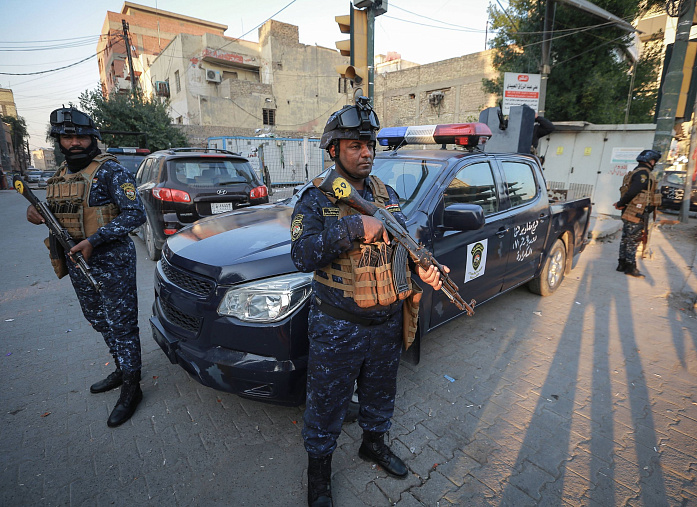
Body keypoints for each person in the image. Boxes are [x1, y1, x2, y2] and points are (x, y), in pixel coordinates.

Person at [290, 98, 447, 507]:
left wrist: (423, 272)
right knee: (326, 404)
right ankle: (319, 475)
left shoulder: (386, 194)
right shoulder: (316, 198)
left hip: (386, 320)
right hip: (338, 324)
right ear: (334, 150)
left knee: (381, 393)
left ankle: (373, 444)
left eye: (370, 145)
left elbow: (400, 250)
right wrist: (353, 226)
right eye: (356, 145)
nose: (367, 153)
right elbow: (302, 256)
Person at [25, 107, 146, 427]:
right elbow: (56, 213)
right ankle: (122, 368)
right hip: (77, 261)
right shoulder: (60, 176)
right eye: (68, 137)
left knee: (122, 325)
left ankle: (133, 387)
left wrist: (96, 239)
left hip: (112, 261)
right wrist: (34, 215)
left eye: (80, 136)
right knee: (97, 320)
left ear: (92, 138)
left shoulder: (110, 172)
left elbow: (135, 214)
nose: (75, 142)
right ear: (59, 141)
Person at [614, 149, 661, 277]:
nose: (654, 163)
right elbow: (632, 192)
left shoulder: (636, 171)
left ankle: (621, 264)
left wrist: (621, 203)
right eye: (654, 161)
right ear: (650, 161)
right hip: (636, 212)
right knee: (633, 240)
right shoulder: (643, 175)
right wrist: (620, 203)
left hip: (630, 211)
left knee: (625, 238)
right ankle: (630, 267)